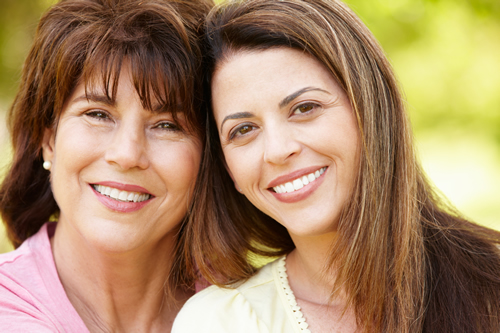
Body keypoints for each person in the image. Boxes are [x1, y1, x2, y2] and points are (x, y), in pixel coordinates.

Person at [173, 0, 500, 332]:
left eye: (304, 108)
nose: (277, 150)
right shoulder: (218, 321)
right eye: (243, 130)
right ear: (228, 170)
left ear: (370, 110)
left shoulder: (491, 288)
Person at [0, 0, 213, 331]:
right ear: (48, 139)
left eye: (167, 124)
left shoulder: (255, 309)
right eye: (97, 114)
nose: (127, 155)